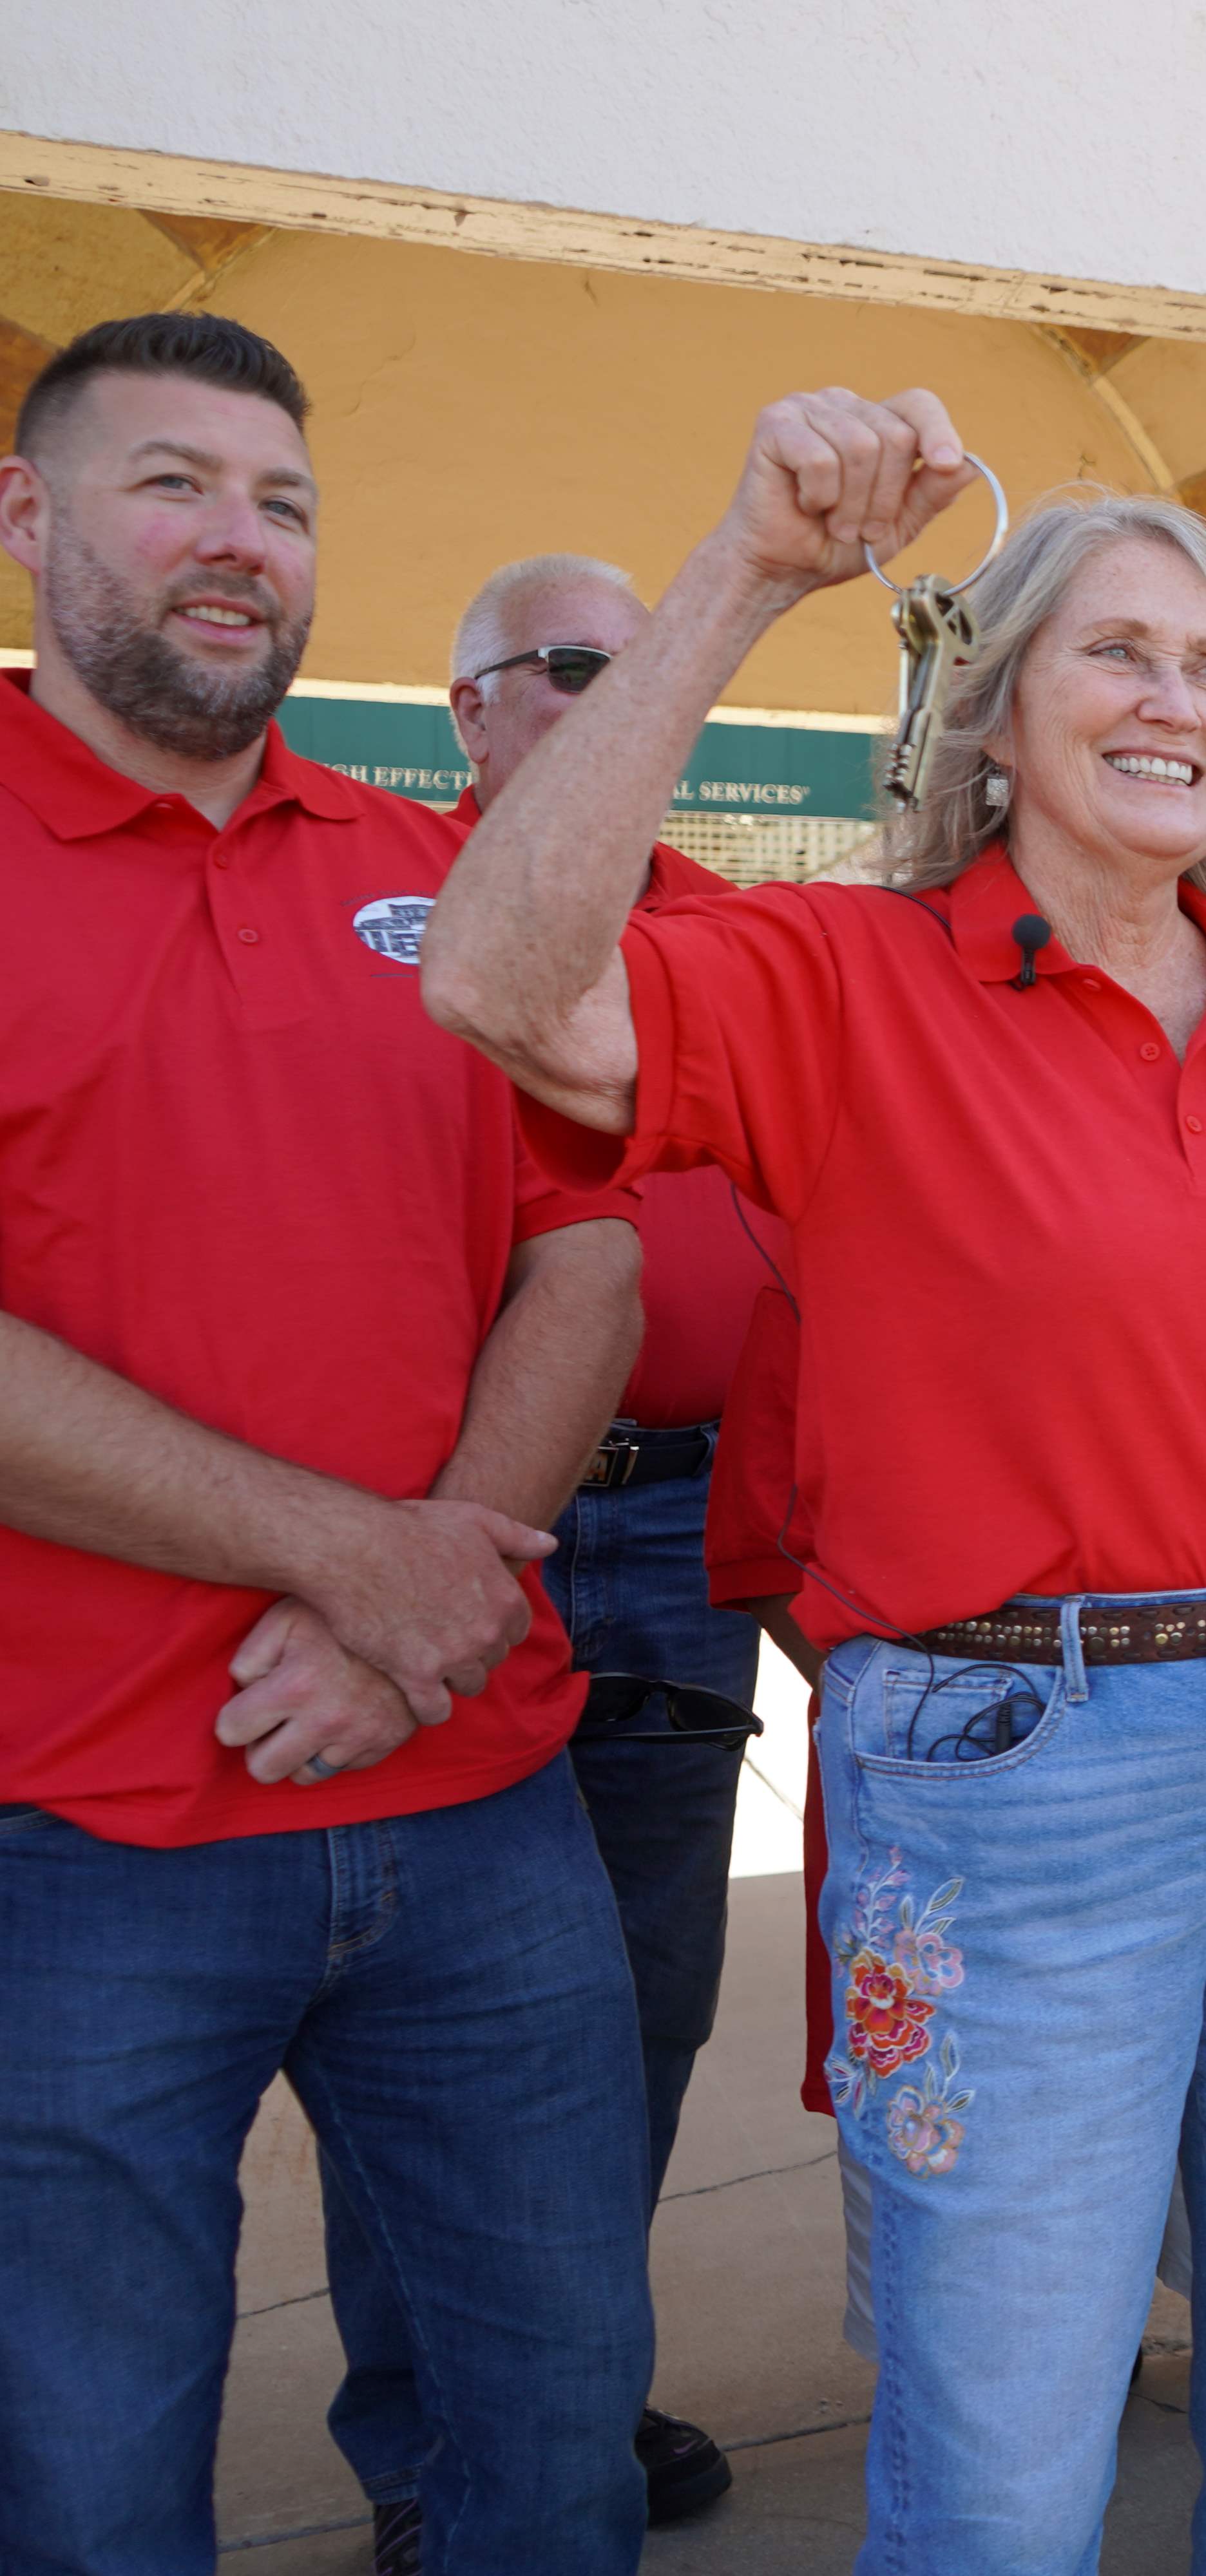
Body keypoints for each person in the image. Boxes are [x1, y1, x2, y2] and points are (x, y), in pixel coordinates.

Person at [420, 388, 1206, 2571]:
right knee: (1005, 2460)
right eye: (1118, 652)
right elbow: (494, 976)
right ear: (996, 716)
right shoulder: (847, 983)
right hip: (1018, 1782)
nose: (1178, 698)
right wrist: (748, 571)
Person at [0, 314, 657, 2570]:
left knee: (554, 2454)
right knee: (88, 2496)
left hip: (480, 1804)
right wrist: (356, 1556)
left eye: (282, 504)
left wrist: (426, 1598)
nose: (238, 544)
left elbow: (587, 1261)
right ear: (26, 523)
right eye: (173, 484)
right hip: (75, 1834)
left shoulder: (438, 879)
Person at [318, 553, 769, 2568]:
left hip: (681, 1523)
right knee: (421, 2012)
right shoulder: (385, 910)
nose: (618, 694)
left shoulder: (734, 936)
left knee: (638, 1997)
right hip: (453, 1515)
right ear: (469, 711)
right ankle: (434, 2447)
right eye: (579, 665)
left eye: (642, 665)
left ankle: (564, 2390)